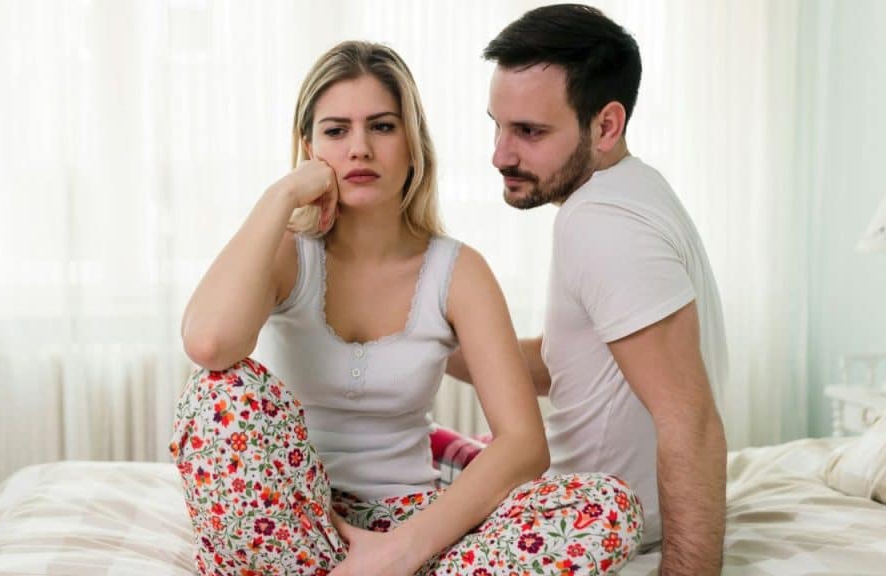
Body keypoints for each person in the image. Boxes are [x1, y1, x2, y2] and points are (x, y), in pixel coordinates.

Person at [173, 40, 642, 575]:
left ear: (412, 142)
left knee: (608, 507)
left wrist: (401, 549)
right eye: (335, 131)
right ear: (308, 148)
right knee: (218, 391)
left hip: (416, 526)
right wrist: (280, 197)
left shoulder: (459, 272)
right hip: (294, 517)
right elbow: (208, 343)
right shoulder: (286, 256)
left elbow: (523, 444)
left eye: (382, 126)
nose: (359, 149)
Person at [447, 5, 729, 575]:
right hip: (591, 503)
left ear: (606, 125)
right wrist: (422, 342)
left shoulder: (603, 223)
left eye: (528, 132)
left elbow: (689, 419)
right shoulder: (628, 190)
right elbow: (571, 368)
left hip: (605, 527)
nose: (500, 154)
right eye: (496, 125)